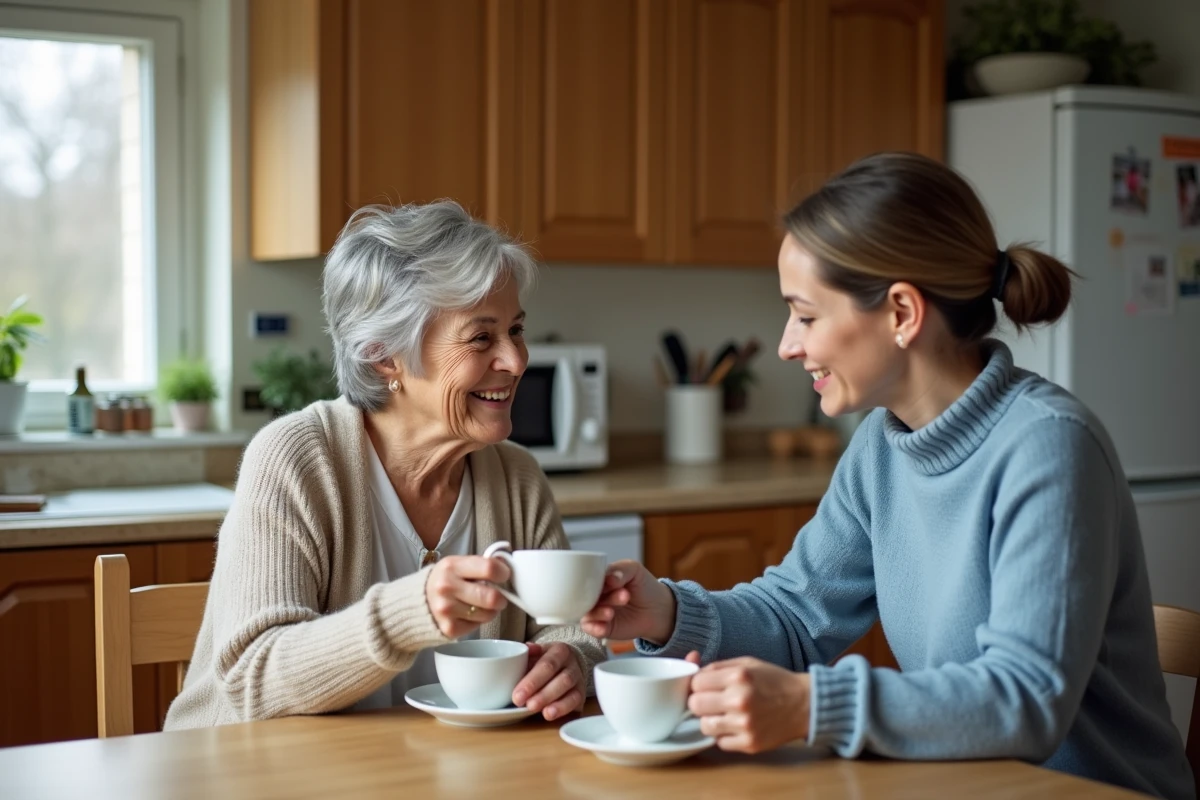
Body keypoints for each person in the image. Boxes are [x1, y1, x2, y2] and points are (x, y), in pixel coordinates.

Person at [582, 153, 1194, 799]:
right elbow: (796, 616)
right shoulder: (882, 443)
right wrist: (668, 613)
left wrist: (812, 706)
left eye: (807, 315)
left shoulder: (1047, 447)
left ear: (901, 312)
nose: (788, 343)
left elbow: (1026, 700)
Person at [166, 201, 605, 729]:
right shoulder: (297, 461)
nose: (515, 361)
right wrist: (406, 614)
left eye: (516, 330)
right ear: (384, 355)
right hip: (250, 772)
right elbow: (253, 679)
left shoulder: (516, 478)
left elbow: (566, 629)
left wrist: (571, 662)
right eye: (482, 337)